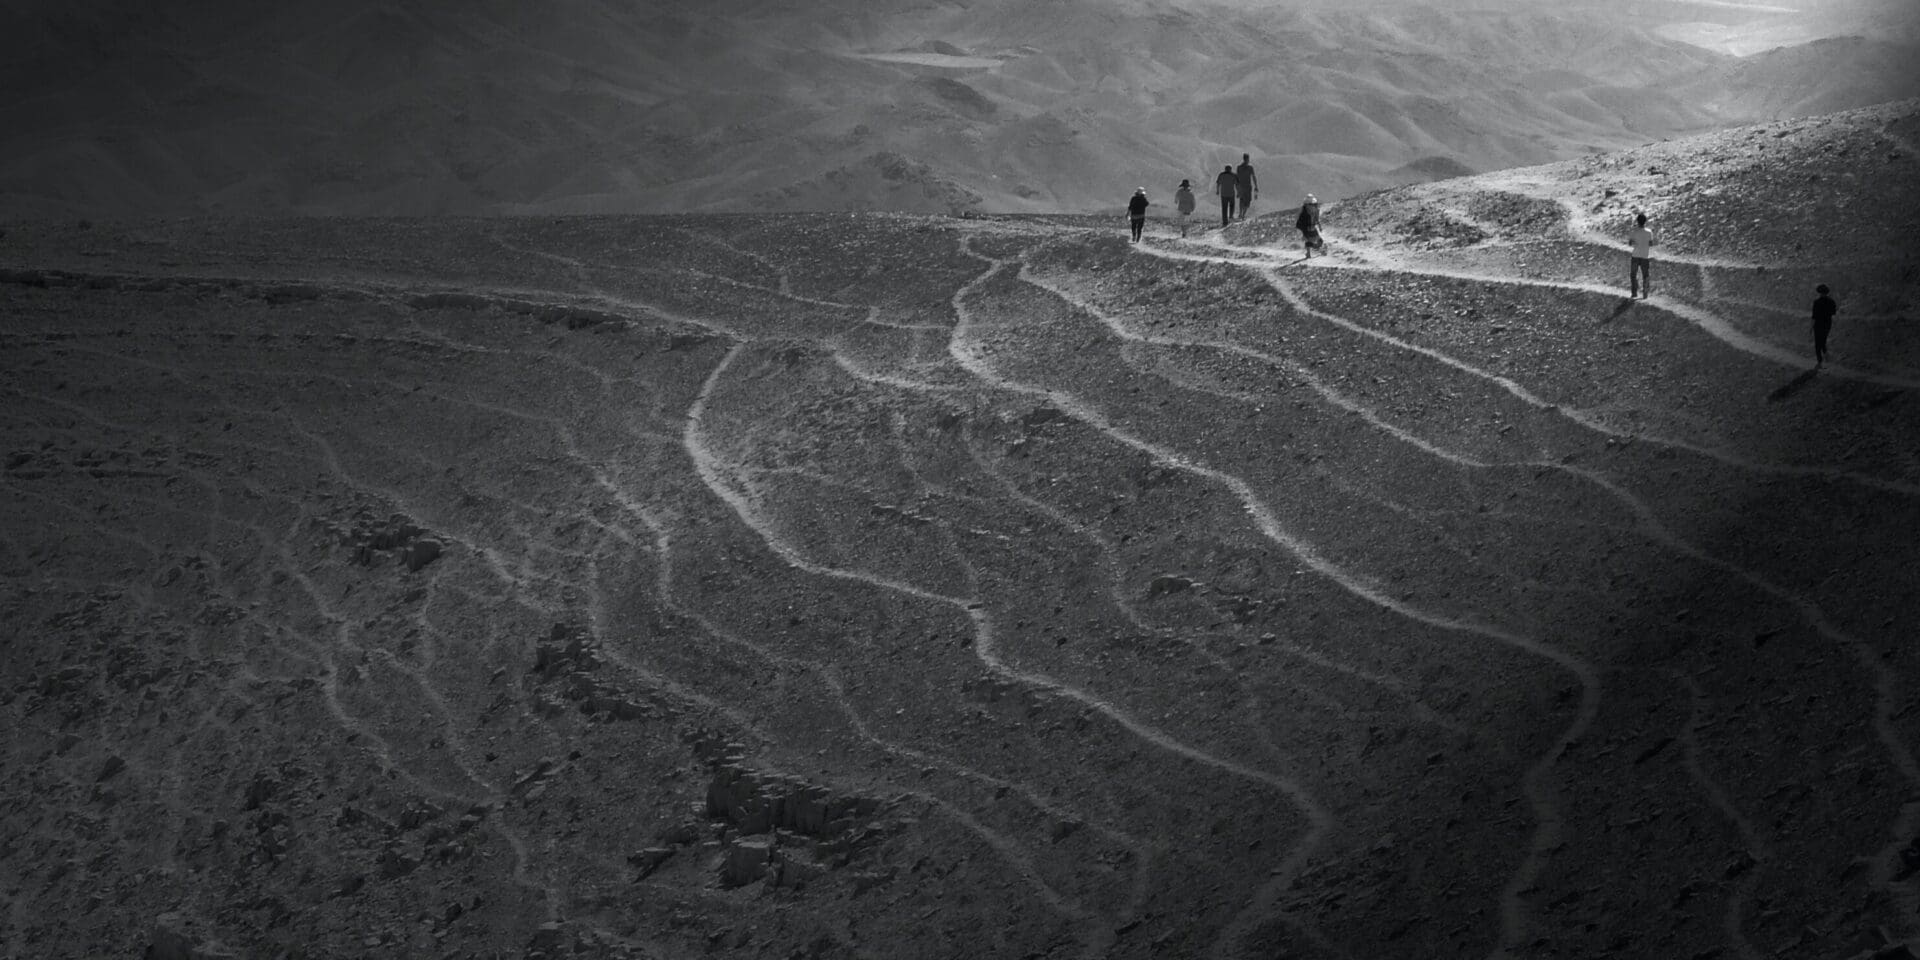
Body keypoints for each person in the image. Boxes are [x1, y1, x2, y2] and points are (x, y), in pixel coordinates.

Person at [1627, 213, 1656, 299]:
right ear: (1645, 221)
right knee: (1645, 275)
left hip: (1635, 255)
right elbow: (1651, 244)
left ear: (1637, 221)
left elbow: (1630, 243)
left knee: (1633, 274)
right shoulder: (1649, 232)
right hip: (1645, 255)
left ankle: (1634, 292)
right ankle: (1645, 293)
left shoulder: (1633, 231)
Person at [1812, 283, 1837, 367]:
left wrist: (1811, 326)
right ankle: (1826, 355)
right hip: (1827, 323)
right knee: (1823, 341)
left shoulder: (1816, 302)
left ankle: (1820, 361)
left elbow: (1814, 316)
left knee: (1817, 343)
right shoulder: (1831, 301)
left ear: (1819, 292)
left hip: (1818, 324)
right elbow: (1834, 312)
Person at [1235, 154, 1259, 220]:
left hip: (1245, 187)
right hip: (1245, 187)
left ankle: (1242, 214)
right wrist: (1256, 186)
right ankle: (1242, 214)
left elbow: (1253, 177)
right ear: (1246, 159)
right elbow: (1253, 177)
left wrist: (1237, 188)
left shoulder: (1247, 167)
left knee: (1245, 201)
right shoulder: (1241, 167)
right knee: (1244, 201)